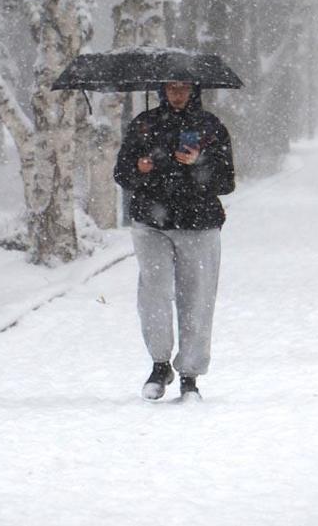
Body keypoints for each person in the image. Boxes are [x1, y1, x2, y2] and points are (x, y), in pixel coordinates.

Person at [114, 81, 235, 401]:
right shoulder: (143, 125)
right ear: (161, 90)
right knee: (153, 292)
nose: (177, 94)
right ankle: (159, 363)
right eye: (171, 88)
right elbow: (122, 174)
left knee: (197, 298)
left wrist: (199, 163)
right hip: (151, 223)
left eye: (183, 88)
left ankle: (190, 375)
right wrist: (139, 168)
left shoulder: (210, 127)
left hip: (199, 224)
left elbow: (227, 181)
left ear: (194, 90)